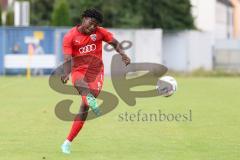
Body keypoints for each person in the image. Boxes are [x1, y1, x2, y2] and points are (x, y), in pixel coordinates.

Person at [60, 8, 131, 154]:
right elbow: (67, 58)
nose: (92, 27)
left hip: (96, 71)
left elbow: (115, 43)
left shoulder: (100, 32)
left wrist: (123, 54)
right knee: (81, 86)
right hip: (79, 70)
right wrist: (66, 73)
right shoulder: (70, 36)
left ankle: (67, 141)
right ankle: (90, 101)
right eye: (91, 23)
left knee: (83, 108)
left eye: (95, 25)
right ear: (83, 18)